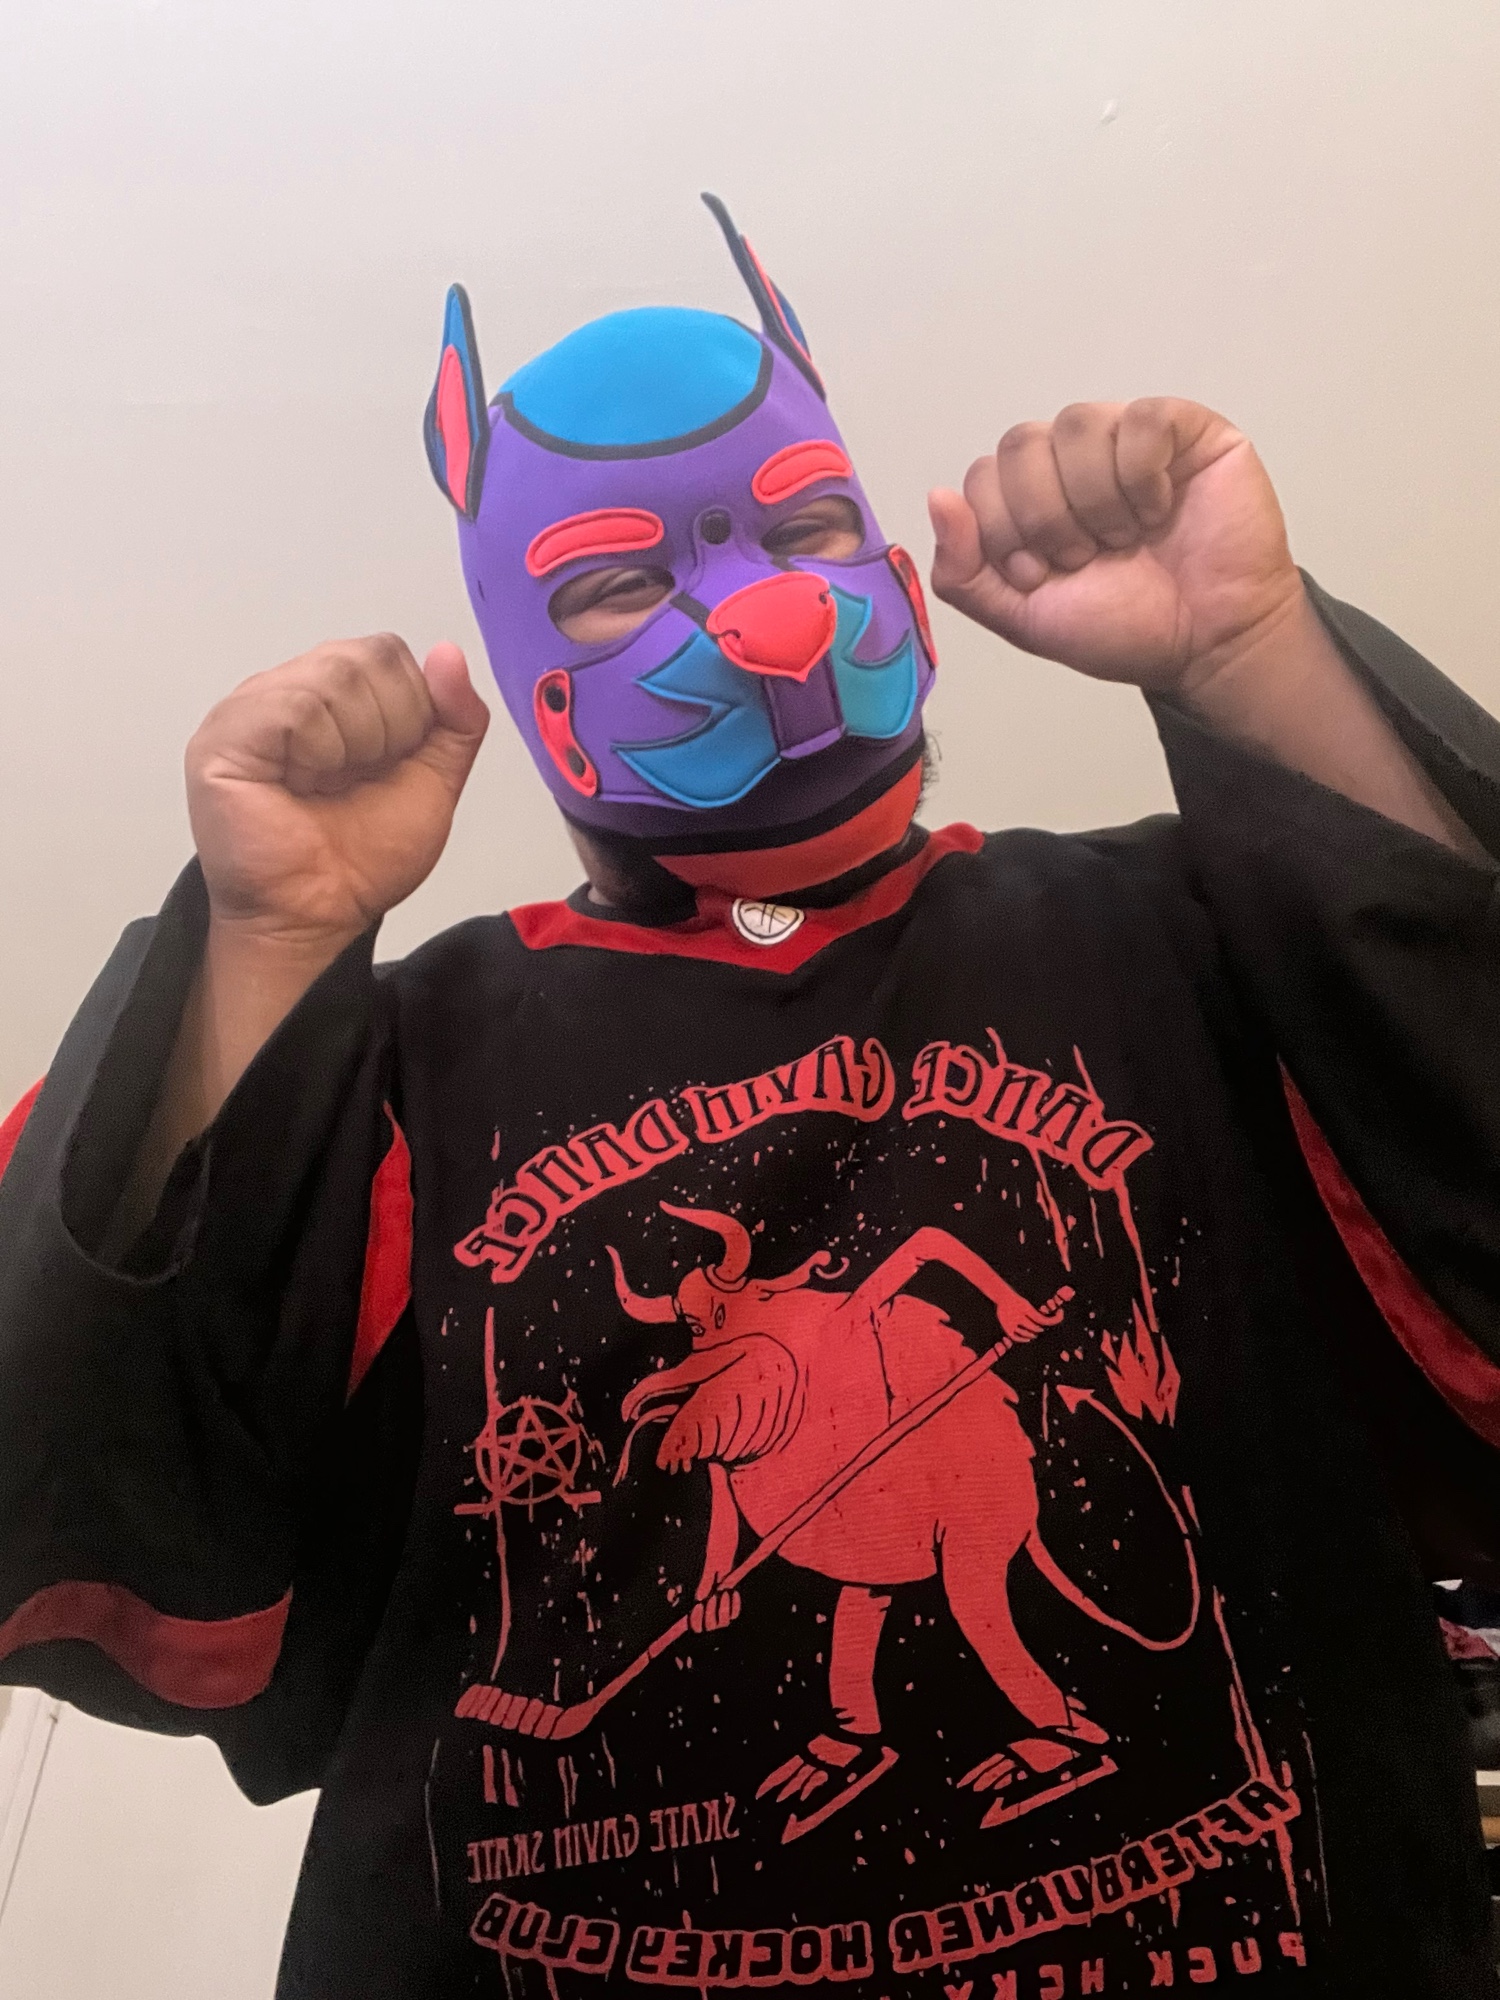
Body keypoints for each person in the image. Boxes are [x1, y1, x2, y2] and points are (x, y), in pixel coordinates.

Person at [1, 195, 1498, 1998]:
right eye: (621, 582)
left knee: (959, 1591)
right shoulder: (396, 1067)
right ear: (533, 674)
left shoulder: (1191, 931)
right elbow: (92, 1482)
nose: (768, 614)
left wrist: (1256, 657)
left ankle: (1019, 1724)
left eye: (800, 528)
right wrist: (266, 946)